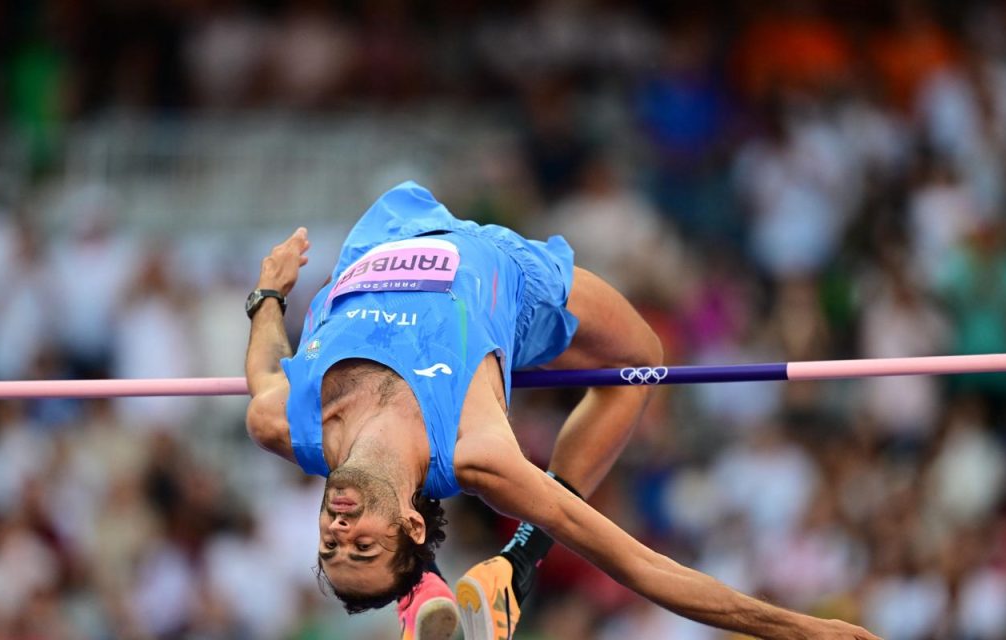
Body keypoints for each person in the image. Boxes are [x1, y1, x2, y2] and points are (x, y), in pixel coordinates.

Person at [244, 182, 879, 640]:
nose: (337, 537)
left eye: (332, 551)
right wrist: (803, 631)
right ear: (412, 526)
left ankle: (428, 592)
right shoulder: (477, 451)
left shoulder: (284, 423)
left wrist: (268, 293)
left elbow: (266, 367)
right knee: (641, 361)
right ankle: (519, 562)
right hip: (508, 276)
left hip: (381, 237)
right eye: (362, 549)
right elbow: (640, 566)